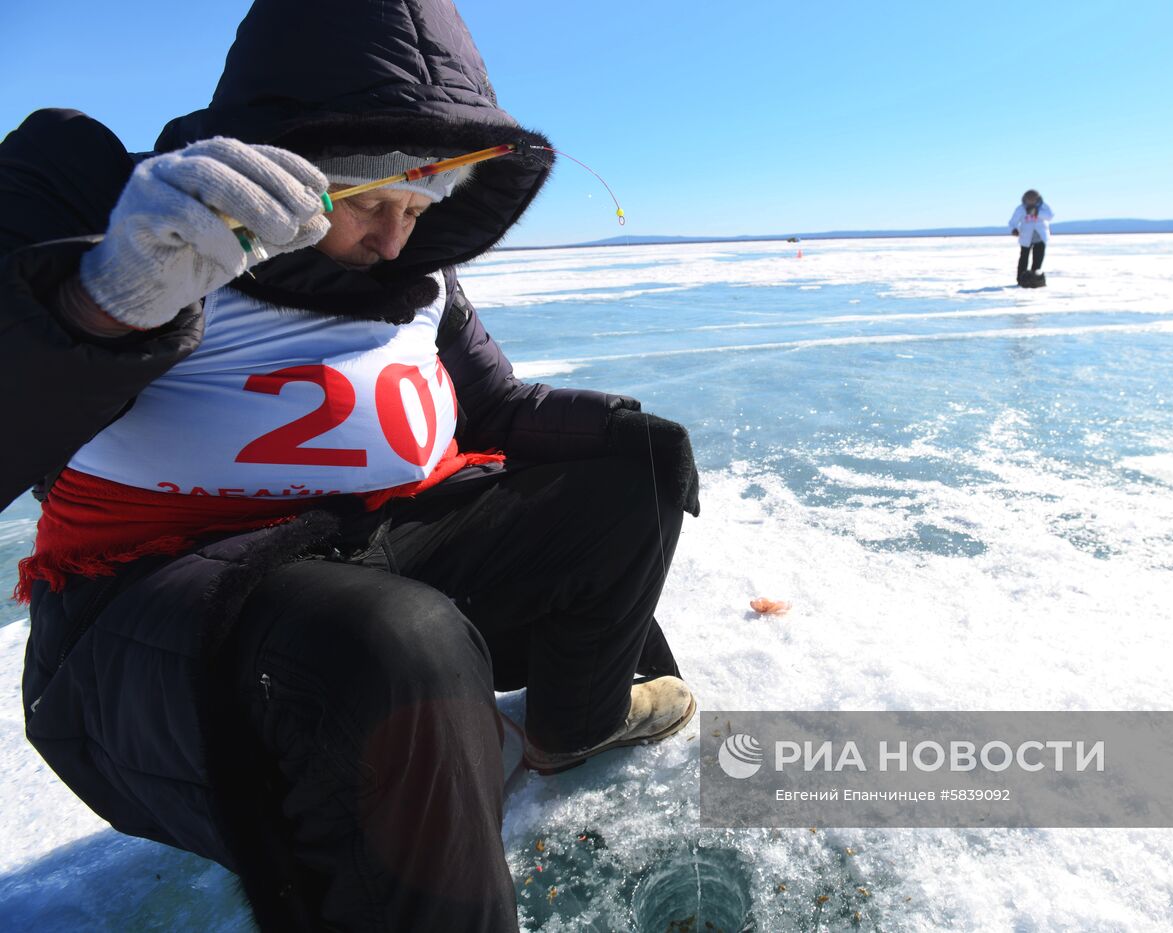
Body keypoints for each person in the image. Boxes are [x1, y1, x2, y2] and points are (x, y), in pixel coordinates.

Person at [1, 1, 699, 929]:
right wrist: (101, 305)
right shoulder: (108, 208)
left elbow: (491, 409)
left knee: (633, 467)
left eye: (419, 208)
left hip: (361, 550)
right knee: (394, 642)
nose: (396, 239)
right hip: (152, 630)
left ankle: (574, 727)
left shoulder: (416, 276)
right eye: (372, 203)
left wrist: (628, 438)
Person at [1009, 189, 1054, 286]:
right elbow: (1013, 221)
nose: (1031, 201)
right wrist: (1014, 229)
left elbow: (1050, 216)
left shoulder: (1044, 207)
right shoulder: (1021, 209)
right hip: (1026, 236)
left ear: (1037, 199)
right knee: (1024, 258)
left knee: (1038, 258)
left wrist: (1037, 213)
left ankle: (1035, 278)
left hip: (1040, 237)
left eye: (1033, 199)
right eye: (1029, 199)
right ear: (1025, 199)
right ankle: (1021, 278)